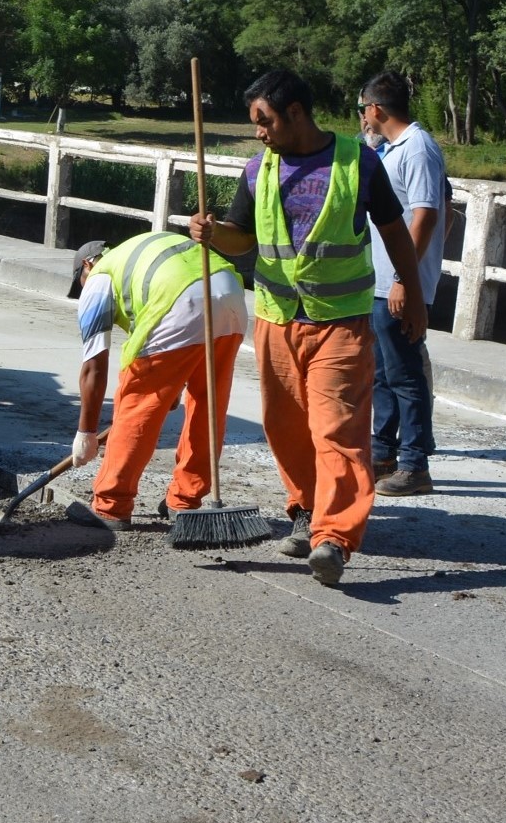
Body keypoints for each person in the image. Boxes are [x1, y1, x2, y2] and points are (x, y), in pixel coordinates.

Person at [189, 70, 430, 588]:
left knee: (337, 431)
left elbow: (395, 232)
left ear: (295, 112)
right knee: (286, 428)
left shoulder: (358, 163)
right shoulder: (257, 171)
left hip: (341, 323)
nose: (259, 131)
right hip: (277, 321)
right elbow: (242, 239)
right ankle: (305, 509)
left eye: (264, 120)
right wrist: (213, 235)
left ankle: (334, 540)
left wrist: (411, 293)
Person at [60, 231, 248, 532]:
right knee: (208, 402)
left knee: (137, 403)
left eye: (79, 285)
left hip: (180, 302)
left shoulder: (98, 278)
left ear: (87, 265)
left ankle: (111, 505)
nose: (82, 292)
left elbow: (94, 368)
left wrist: (86, 433)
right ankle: (184, 501)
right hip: (231, 296)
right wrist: (173, 382)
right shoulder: (142, 249)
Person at [359, 72, 449, 496]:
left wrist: (403, 279)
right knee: (382, 373)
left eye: (363, 109)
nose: (362, 116)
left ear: (376, 108)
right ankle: (383, 451)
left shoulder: (417, 147)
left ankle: (415, 464)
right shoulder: (391, 148)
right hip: (380, 281)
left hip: (397, 282)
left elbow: (426, 213)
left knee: (406, 374)